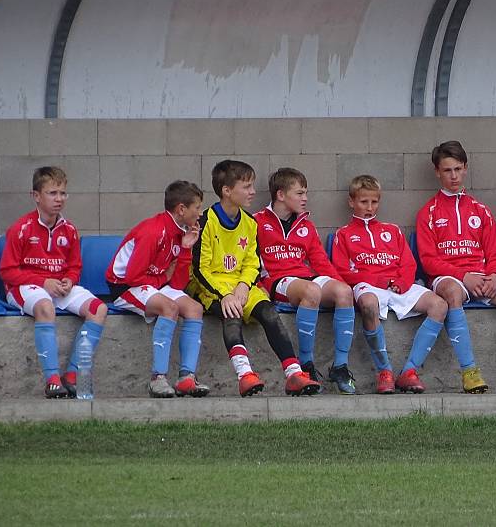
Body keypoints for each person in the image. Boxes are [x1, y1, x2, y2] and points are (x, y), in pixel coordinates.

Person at [416, 141, 496, 394]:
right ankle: (469, 371)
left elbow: (495, 252)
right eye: (447, 170)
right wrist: (464, 277)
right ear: (437, 172)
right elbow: (429, 261)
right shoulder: (428, 213)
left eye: (458, 169)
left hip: (485, 278)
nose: (453, 176)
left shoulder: (481, 210)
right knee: (452, 292)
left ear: (465, 169)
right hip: (450, 278)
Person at [186, 160, 320, 397]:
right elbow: (199, 268)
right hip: (212, 287)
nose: (253, 192)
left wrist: (242, 286)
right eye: (246, 187)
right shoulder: (206, 221)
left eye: (252, 186)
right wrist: (225, 294)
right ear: (227, 191)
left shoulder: (250, 222)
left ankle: (293, 373)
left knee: (269, 313)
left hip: (241, 285)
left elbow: (252, 263)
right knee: (232, 313)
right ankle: (245, 375)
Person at [332, 175, 451, 394]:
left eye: (374, 202)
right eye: (363, 202)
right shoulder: (344, 234)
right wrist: (375, 280)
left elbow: (408, 264)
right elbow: (340, 272)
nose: (369, 207)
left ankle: (409, 372)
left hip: (398, 285)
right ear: (352, 202)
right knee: (367, 304)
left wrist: (402, 282)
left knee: (440, 305)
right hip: (367, 285)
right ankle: (384, 372)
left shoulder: (393, 230)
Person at [0, 166, 108, 398]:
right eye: (52, 193)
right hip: (23, 287)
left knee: (99, 309)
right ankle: (52, 380)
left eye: (62, 193)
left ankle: (72, 376)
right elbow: (7, 272)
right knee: (45, 307)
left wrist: (69, 279)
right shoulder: (21, 228)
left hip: (57, 286)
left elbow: (74, 266)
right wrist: (42, 281)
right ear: (36, 196)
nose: (59, 199)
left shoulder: (69, 229)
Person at [254, 167, 357, 394]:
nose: (305, 198)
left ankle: (340, 366)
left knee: (344, 293)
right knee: (311, 292)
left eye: (306, 193)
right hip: (279, 281)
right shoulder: (256, 222)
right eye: (300, 193)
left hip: (306, 278)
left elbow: (321, 262)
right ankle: (305, 366)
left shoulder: (306, 224)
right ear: (281, 195)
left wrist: (343, 286)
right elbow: (249, 262)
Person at [105, 180, 209, 398]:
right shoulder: (153, 231)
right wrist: (164, 276)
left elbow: (178, 284)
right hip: (124, 286)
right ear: (181, 209)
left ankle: (186, 378)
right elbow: (133, 277)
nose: (200, 213)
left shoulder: (180, 232)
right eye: (197, 207)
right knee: (169, 308)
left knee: (194, 309)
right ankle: (157, 378)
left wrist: (186, 249)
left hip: (154, 282)